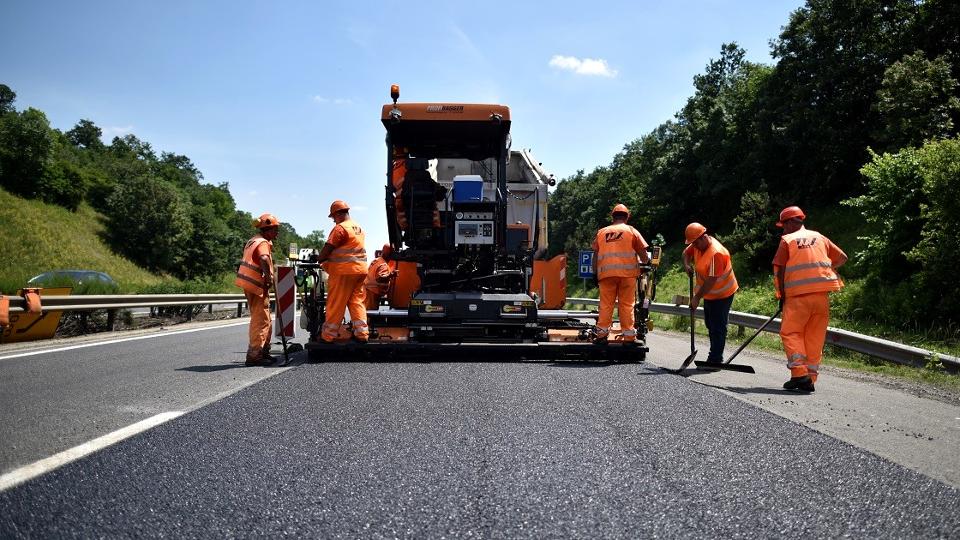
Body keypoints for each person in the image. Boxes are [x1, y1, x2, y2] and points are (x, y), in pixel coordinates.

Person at [772, 206, 847, 392]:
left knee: (790, 333)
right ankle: (810, 379)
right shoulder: (819, 237)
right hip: (821, 296)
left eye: (783, 225)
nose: (783, 229)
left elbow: (780, 270)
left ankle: (799, 374)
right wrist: (825, 269)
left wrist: (781, 295)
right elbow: (842, 258)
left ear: (790, 222)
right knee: (814, 337)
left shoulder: (787, 240)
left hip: (797, 296)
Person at [591, 204, 650, 343]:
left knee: (606, 304)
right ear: (627, 217)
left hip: (606, 276)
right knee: (627, 305)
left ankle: (601, 335)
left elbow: (595, 255)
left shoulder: (602, 232)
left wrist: (594, 273)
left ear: (612, 217)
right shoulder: (631, 231)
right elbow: (643, 253)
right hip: (627, 275)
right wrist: (646, 262)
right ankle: (629, 336)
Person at [313, 200, 370, 343]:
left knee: (336, 303)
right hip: (360, 271)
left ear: (338, 214)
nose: (333, 220)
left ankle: (328, 336)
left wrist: (319, 258)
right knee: (357, 301)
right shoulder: (358, 228)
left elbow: (328, 247)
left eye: (333, 217)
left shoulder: (340, 228)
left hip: (344, 271)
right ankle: (362, 334)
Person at [682, 222, 739, 365]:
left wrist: (696, 298)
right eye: (692, 244)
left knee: (718, 326)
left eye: (695, 243)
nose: (693, 246)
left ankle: (715, 358)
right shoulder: (696, 245)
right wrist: (687, 265)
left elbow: (711, 281)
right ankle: (715, 354)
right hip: (708, 294)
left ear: (703, 237)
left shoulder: (716, 253)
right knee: (710, 324)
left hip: (722, 293)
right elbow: (685, 253)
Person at [235, 213, 280, 366]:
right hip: (256, 284)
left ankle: (263, 351)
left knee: (264, 318)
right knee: (260, 320)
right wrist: (268, 277)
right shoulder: (262, 242)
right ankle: (255, 354)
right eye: (275, 229)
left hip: (250, 284)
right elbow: (264, 258)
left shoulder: (252, 240)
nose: (277, 232)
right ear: (267, 229)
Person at [364, 244, 397, 311]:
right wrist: (391, 275)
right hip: (373, 292)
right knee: (370, 313)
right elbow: (379, 278)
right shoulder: (383, 265)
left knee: (366, 311)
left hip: (368, 290)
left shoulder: (377, 260)